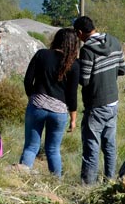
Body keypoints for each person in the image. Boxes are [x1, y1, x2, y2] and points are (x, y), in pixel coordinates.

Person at [74, 15, 125, 185]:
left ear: (80, 32)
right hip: (113, 101)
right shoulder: (113, 41)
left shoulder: (87, 51)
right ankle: (110, 181)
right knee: (109, 145)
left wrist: (75, 66)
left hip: (96, 104)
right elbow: (123, 69)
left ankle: (88, 186)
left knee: (91, 146)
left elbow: (84, 80)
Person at [19, 27, 80, 177]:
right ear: (73, 45)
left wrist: (32, 97)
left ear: (57, 40)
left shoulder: (42, 54)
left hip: (37, 105)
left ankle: (20, 179)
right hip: (59, 111)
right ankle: (55, 184)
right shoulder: (74, 64)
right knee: (53, 150)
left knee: (31, 148)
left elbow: (27, 80)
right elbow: (72, 95)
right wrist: (73, 118)